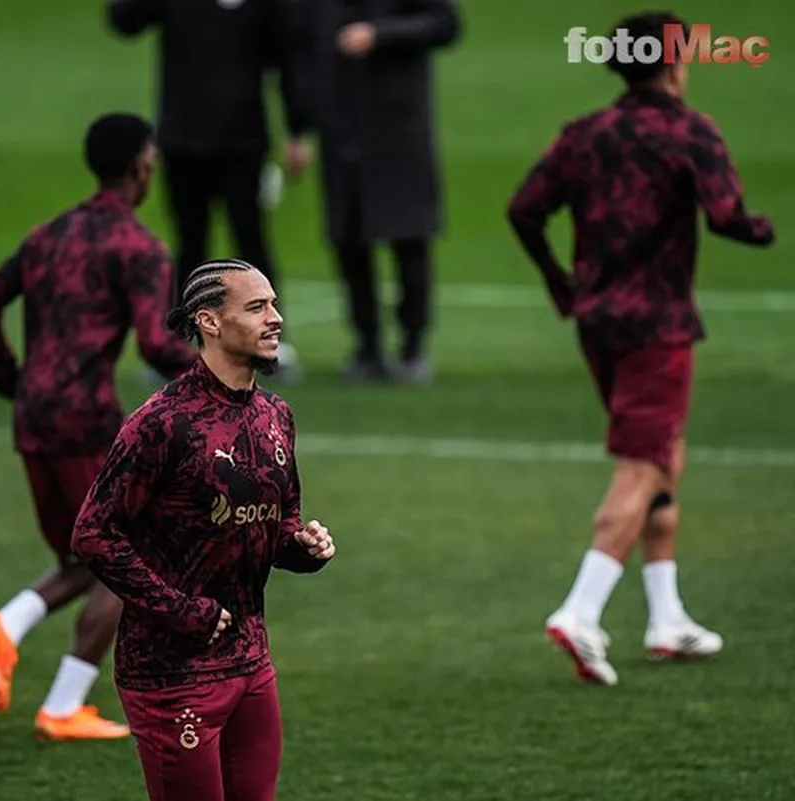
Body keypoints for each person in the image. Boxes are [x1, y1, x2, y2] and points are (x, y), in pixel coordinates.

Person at [506, 11, 774, 686]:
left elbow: (523, 209)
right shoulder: (691, 131)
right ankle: (581, 610)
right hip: (659, 324)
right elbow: (727, 216)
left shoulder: (585, 133)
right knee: (644, 463)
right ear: (675, 64)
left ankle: (666, 615)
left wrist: (561, 283)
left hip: (598, 324)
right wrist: (760, 229)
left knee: (663, 458)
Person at [0, 113, 197, 741]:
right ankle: (64, 705)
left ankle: (6, 627)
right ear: (141, 166)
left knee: (85, 555)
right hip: (86, 422)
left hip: (32, 418)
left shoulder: (51, 233)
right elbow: (155, 343)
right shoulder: (140, 248)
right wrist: (221, 373)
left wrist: (10, 379)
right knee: (132, 556)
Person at [70, 258, 337, 799]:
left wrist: (303, 548)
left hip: (251, 663)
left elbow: (278, 523)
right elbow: (93, 535)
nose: (275, 318)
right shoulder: (162, 423)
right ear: (209, 321)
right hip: (171, 673)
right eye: (257, 307)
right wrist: (182, 611)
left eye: (274, 305)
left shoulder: (275, 416)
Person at [106, 0, 314, 380]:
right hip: (184, 138)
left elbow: (288, 54)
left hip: (243, 139)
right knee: (190, 244)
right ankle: (177, 348)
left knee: (251, 242)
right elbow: (125, 19)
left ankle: (268, 343)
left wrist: (297, 129)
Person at [297, 0, 461, 383]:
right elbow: (300, 45)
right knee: (349, 239)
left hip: (398, 126)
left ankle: (413, 344)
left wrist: (380, 34)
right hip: (341, 126)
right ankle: (366, 345)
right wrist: (301, 122)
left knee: (409, 236)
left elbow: (445, 24)